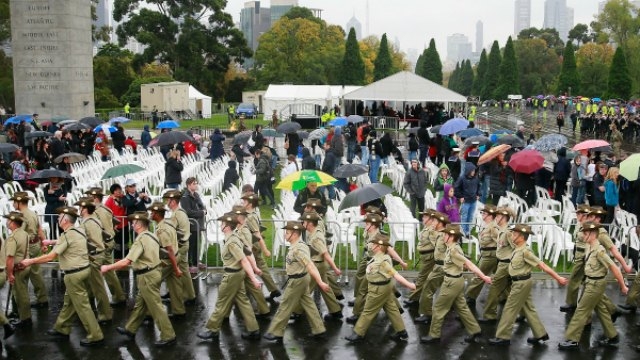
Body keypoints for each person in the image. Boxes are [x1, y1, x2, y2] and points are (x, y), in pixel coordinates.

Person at [20, 207, 104, 346]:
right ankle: (62, 327)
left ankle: (95, 335)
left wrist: (30, 261)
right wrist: (51, 242)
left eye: (59, 217)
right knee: (69, 302)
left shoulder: (67, 235)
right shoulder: (78, 231)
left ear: (65, 220)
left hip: (73, 274)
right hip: (84, 269)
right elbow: (67, 243)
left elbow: (51, 256)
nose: (58, 219)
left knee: (83, 306)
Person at [102, 212, 176, 347]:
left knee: (156, 307)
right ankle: (131, 329)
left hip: (147, 276)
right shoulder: (151, 235)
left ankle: (168, 335)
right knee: (140, 305)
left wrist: (108, 267)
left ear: (139, 224)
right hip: (153, 273)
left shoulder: (141, 239)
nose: (132, 224)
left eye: (134, 222)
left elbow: (126, 261)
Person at [488, 224, 568, 346]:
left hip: (521, 284)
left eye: (515, 234)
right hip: (519, 282)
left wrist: (558, 278)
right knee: (528, 308)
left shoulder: (525, 251)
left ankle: (503, 337)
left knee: (509, 309)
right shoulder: (517, 248)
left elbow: (542, 266)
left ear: (521, 237)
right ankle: (540, 334)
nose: (512, 236)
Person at [558, 222, 628, 350]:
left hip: (596, 284)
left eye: (585, 233)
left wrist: (623, 285)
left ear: (592, 234)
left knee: (581, 311)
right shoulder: (588, 247)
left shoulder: (599, 251)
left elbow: (614, 268)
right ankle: (613, 336)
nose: (583, 236)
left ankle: (573, 340)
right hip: (591, 282)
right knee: (601, 309)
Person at [420, 224, 491, 344]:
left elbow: (468, 264)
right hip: (456, 281)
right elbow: (460, 263)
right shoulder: (452, 247)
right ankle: (474, 330)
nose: (443, 236)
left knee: (438, 308)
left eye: (446, 234)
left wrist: (483, 276)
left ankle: (434, 335)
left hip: (451, 282)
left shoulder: (453, 250)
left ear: (451, 237)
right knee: (462, 307)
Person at [263, 221, 330, 343]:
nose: (285, 235)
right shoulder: (297, 246)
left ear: (294, 234)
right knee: (308, 304)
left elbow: (310, 265)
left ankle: (276, 332)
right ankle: (319, 329)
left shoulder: (299, 249)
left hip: (297, 280)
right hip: (301, 278)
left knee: (285, 305)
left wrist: (320, 282)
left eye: (287, 233)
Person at [345, 233, 416, 343]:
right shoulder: (379, 256)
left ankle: (358, 333)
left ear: (379, 246)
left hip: (378, 290)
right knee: (391, 308)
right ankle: (402, 332)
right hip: (382, 287)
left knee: (368, 311)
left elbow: (395, 275)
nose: (371, 245)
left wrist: (409, 285)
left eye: (373, 244)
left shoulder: (382, 261)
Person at [84, 187, 126, 307]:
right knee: (109, 271)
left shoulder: (96, 211)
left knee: (100, 273)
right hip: (108, 241)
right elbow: (114, 222)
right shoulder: (105, 209)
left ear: (94, 198)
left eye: (90, 197)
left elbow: (98, 228)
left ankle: (111, 297)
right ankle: (119, 295)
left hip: (102, 243)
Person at [74, 198, 113, 324]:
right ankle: (93, 308)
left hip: (94, 256)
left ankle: (105, 314)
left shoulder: (87, 223)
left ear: (85, 209)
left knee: (98, 287)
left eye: (81, 208)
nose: (79, 210)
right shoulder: (93, 220)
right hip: (97, 255)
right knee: (91, 285)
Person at [11, 192, 49, 309]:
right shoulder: (32, 213)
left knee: (20, 275)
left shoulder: (22, 216)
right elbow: (40, 230)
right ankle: (42, 298)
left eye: (14, 202)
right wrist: (43, 242)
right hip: (35, 244)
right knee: (36, 273)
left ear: (19, 202)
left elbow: (20, 235)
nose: (12, 204)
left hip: (27, 247)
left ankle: (20, 304)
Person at [478, 207, 515, 323]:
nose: (496, 218)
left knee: (494, 288)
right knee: (509, 290)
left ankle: (490, 315)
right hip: (502, 263)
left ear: (504, 218)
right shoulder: (501, 230)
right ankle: (523, 312)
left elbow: (517, 248)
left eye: (498, 216)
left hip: (506, 264)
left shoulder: (508, 232)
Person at [148, 202, 184, 318]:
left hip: (168, 260)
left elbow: (169, 251)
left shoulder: (162, 230)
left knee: (150, 284)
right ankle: (179, 311)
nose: (151, 214)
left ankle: (148, 313)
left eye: (152, 212)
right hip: (175, 257)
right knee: (174, 286)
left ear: (157, 214)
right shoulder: (168, 224)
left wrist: (176, 268)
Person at [242, 192, 280, 300]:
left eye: (245, 201)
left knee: (247, 267)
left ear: (250, 204)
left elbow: (257, 233)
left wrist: (265, 249)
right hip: (252, 244)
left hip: (253, 245)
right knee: (260, 266)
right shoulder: (251, 214)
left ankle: (245, 292)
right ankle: (273, 289)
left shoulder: (250, 217)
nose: (242, 202)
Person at [415, 212, 449, 324]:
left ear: (440, 223)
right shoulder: (440, 234)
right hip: (441, 266)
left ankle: (427, 314)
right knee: (458, 299)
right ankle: (473, 327)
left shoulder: (445, 235)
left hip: (443, 266)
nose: (432, 222)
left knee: (427, 288)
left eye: (434, 221)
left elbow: (453, 250)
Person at [164, 190, 196, 305]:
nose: (167, 202)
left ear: (173, 201)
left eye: (169, 200)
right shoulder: (179, 212)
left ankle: (184, 295)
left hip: (180, 246)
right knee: (182, 270)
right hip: (183, 244)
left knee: (171, 269)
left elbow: (171, 232)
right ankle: (184, 294)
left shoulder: (177, 214)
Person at [559, 205, 591, 313]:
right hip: (578, 254)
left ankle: (572, 304)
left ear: (584, 215)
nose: (576, 215)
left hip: (584, 256)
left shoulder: (588, 227)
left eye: (578, 213)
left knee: (575, 279)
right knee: (588, 284)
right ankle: (611, 309)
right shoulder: (579, 224)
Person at [465, 205, 498, 306]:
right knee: (501, 277)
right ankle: (506, 295)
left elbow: (500, 242)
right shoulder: (486, 225)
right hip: (488, 254)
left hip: (491, 256)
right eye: (482, 213)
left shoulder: (493, 227)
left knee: (480, 275)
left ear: (490, 215)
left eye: (484, 213)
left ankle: (470, 296)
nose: (482, 214)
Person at [4, 212, 32, 328]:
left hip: (18, 268)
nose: (6, 222)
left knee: (21, 294)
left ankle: (25, 319)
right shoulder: (24, 233)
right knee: (23, 291)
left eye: (8, 221)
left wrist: (10, 274)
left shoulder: (13, 237)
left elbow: (10, 258)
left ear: (12, 222)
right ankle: (21, 314)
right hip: (25, 265)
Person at [404, 210, 436, 306]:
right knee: (425, 278)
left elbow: (437, 245)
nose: (423, 218)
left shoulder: (432, 230)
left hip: (429, 257)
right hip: (425, 256)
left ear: (431, 218)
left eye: (425, 217)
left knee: (421, 278)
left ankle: (414, 298)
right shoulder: (426, 228)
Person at [180, 177, 206, 271]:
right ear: (188, 185)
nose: (196, 185)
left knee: (196, 244)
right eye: (194, 183)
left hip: (198, 223)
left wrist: (202, 211)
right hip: (190, 224)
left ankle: (196, 262)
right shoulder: (185, 197)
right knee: (191, 245)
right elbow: (188, 212)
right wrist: (201, 213)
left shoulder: (196, 195)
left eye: (196, 183)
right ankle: (189, 264)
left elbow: (202, 206)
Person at [454, 162, 480, 238]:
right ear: (468, 170)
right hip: (465, 202)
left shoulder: (476, 179)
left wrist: (478, 194)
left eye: (474, 171)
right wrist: (460, 197)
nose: (473, 172)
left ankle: (468, 231)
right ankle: (463, 231)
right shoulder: (462, 178)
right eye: (472, 171)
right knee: (464, 217)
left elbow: (479, 187)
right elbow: (456, 188)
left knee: (471, 216)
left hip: (473, 201)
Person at [105, 183, 128, 259]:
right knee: (117, 244)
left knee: (125, 243)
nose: (119, 191)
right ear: (113, 192)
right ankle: (117, 260)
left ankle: (125, 259)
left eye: (120, 190)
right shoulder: (109, 201)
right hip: (115, 227)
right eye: (117, 190)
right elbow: (106, 213)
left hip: (124, 224)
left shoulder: (123, 198)